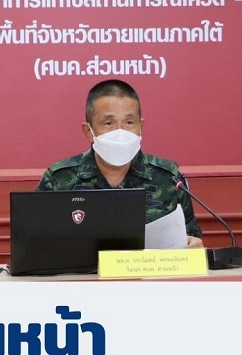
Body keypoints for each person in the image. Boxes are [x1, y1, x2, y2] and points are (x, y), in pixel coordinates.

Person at [36, 79, 204, 248]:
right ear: (89, 131)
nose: (120, 132)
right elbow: (33, 244)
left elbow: (190, 239)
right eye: (109, 123)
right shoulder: (59, 179)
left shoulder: (168, 177)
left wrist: (193, 246)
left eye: (129, 122)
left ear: (140, 126)